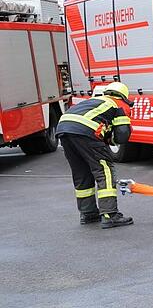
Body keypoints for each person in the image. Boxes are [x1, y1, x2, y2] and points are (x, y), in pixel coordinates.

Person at [55, 82, 135, 228]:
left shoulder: (94, 101)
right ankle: (110, 214)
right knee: (104, 170)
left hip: (64, 129)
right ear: (124, 96)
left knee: (81, 172)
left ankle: (88, 213)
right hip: (84, 131)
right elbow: (122, 136)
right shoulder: (117, 105)